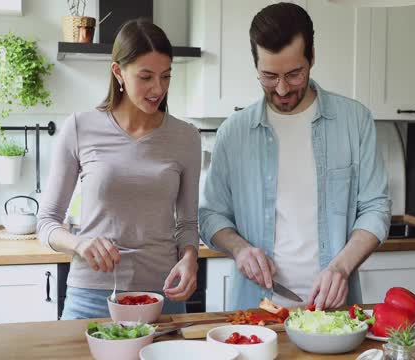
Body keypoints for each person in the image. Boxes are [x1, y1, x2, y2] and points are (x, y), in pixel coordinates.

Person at [199, 3, 391, 311]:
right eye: (269, 76)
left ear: (312, 57)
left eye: (294, 74)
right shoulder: (234, 132)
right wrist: (240, 250)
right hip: (258, 310)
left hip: (335, 312)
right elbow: (210, 215)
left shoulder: (355, 121)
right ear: (256, 66)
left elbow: (376, 208)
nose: (283, 88)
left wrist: (340, 268)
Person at [37, 19, 201, 319]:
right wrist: (80, 243)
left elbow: (188, 224)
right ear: (118, 72)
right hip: (90, 295)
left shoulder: (186, 137)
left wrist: (191, 258)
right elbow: (46, 222)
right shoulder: (79, 127)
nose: (158, 88)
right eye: (146, 77)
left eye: (166, 76)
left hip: (163, 295)